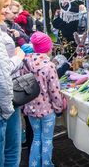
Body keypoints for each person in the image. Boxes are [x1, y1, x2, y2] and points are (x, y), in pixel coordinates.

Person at [23, 31, 63, 167]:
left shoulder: (25, 62)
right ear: (47, 48)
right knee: (46, 140)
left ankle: (33, 164)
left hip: (30, 108)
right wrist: (59, 108)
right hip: (47, 110)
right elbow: (55, 90)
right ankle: (46, 164)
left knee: (36, 138)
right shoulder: (49, 65)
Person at [0, 0, 25, 167]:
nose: (7, 10)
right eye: (4, 6)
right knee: (9, 154)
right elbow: (2, 72)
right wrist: (18, 57)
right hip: (4, 107)